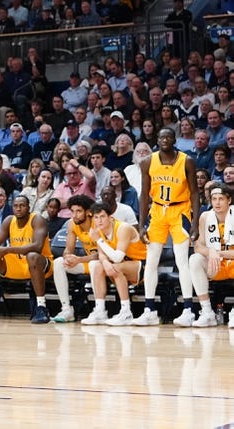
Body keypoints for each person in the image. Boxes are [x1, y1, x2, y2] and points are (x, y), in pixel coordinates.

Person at [134, 126, 198, 327]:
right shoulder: (147, 162)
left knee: (182, 260)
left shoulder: (186, 160)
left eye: (169, 137)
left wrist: (195, 223)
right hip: (158, 212)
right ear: (157, 140)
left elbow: (195, 193)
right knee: (151, 260)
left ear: (174, 140)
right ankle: (149, 309)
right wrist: (141, 223)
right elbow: (144, 195)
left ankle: (188, 309)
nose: (165, 140)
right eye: (161, 137)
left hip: (180, 212)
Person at [0, 194, 53, 323]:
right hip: (16, 264)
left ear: (28, 208)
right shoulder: (9, 220)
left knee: (32, 256)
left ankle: (41, 307)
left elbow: (37, 247)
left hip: (40, 265)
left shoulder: (37, 220)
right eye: (16, 206)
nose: (18, 209)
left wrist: (7, 250)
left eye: (22, 206)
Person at [81, 203, 148, 325]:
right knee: (97, 266)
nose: (99, 221)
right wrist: (105, 263)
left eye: (102, 217)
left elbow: (118, 257)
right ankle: (100, 311)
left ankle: (126, 312)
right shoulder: (98, 230)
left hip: (142, 266)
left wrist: (99, 240)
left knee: (116, 267)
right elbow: (101, 254)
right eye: (96, 218)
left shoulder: (123, 228)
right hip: (121, 264)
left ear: (110, 217)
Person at [187, 184, 234, 327]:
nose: (217, 203)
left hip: (231, 262)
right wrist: (211, 252)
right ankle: (207, 312)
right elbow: (198, 246)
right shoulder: (205, 217)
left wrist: (218, 252)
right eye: (214, 199)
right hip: (216, 265)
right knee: (195, 259)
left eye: (221, 199)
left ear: (229, 200)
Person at [50, 194, 97, 323]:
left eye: (79, 211)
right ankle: (66, 309)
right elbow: (68, 249)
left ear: (88, 212)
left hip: (104, 263)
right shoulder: (72, 224)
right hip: (88, 262)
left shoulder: (97, 223)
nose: (74, 215)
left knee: (95, 264)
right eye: (72, 211)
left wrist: (79, 260)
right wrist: (67, 257)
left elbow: (102, 255)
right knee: (59, 263)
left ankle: (100, 309)